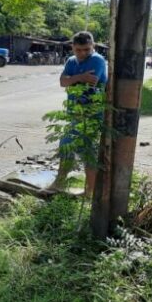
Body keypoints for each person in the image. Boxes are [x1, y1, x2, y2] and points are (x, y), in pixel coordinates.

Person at [52, 31, 107, 196]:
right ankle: (64, 184)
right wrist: (81, 76)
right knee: (69, 146)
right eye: (79, 50)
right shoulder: (71, 61)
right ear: (72, 48)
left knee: (84, 150)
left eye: (86, 49)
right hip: (76, 114)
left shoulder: (97, 59)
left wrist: (73, 79)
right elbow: (63, 82)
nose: (82, 53)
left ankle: (87, 191)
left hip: (92, 114)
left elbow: (91, 83)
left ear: (93, 47)